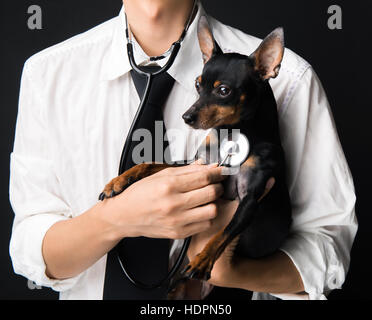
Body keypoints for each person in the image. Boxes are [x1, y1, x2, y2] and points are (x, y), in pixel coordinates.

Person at [9, 0, 357, 300]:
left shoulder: (290, 82)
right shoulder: (47, 75)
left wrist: (230, 271)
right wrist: (114, 219)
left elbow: (331, 246)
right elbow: (28, 250)